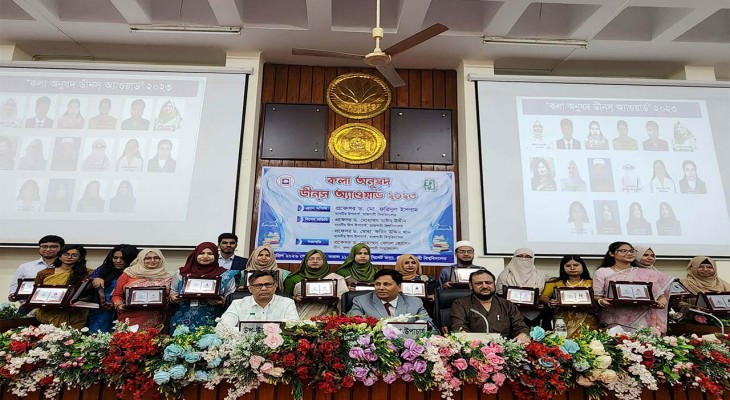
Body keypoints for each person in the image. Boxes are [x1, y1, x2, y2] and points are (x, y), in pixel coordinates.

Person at [592, 242, 671, 334]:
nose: (629, 253)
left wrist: (661, 302)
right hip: (613, 317)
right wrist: (601, 301)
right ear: (612, 253)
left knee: (641, 342)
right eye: (623, 251)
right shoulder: (602, 272)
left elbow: (660, 296)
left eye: (632, 251)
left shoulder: (645, 272)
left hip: (640, 318)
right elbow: (597, 296)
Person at [169, 242, 238, 332]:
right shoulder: (181, 273)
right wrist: (173, 298)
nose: (205, 256)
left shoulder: (226, 274)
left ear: (216, 255)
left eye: (210, 253)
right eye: (201, 253)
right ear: (195, 255)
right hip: (182, 321)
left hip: (213, 320)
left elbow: (231, 296)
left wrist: (223, 301)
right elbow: (173, 291)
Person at [450, 269, 530, 340]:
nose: (485, 286)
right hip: (474, 347)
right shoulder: (460, 304)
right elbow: (459, 327)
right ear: (471, 286)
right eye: (479, 283)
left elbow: (521, 326)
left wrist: (522, 335)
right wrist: (464, 336)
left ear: (494, 284)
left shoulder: (507, 305)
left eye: (488, 283)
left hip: (505, 347)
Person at [111, 248, 173, 332]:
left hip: (157, 319)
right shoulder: (128, 274)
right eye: (148, 258)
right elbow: (117, 295)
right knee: (129, 340)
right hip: (131, 317)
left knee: (153, 340)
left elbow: (170, 296)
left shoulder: (167, 277)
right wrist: (119, 304)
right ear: (140, 259)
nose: (152, 260)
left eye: (156, 258)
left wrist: (170, 299)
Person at [33, 244, 93, 329]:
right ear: (60, 257)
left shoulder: (88, 273)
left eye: (74, 255)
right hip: (49, 312)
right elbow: (36, 292)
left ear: (80, 258)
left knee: (74, 337)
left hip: (75, 314)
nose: (69, 257)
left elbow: (90, 293)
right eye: (66, 254)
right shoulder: (44, 273)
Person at [539, 256, 598, 338]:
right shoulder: (555, 282)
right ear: (563, 267)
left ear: (583, 266)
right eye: (568, 266)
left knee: (587, 341)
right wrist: (549, 302)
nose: (572, 268)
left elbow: (598, 297)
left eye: (576, 265)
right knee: (562, 341)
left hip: (587, 317)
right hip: (562, 318)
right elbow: (543, 297)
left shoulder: (592, 282)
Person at [218, 271, 299, 328]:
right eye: (258, 285)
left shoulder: (287, 303)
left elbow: (294, 327)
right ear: (250, 289)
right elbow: (222, 328)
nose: (264, 288)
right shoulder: (238, 304)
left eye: (268, 284)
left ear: (275, 286)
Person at [86, 244, 139, 333]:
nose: (118, 261)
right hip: (101, 311)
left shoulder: (137, 272)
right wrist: (95, 279)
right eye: (115, 258)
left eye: (122, 258)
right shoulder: (104, 268)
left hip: (125, 310)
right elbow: (88, 281)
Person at [284, 249, 348, 320]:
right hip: (301, 316)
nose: (315, 261)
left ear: (324, 261)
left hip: (328, 317)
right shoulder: (293, 278)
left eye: (319, 259)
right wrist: (295, 298)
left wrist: (335, 299)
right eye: (311, 259)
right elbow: (284, 298)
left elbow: (344, 298)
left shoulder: (335, 278)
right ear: (305, 261)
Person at [348, 269, 430, 322]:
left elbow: (429, 327)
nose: (381, 288)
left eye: (386, 284)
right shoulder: (361, 302)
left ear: (399, 287)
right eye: (377, 284)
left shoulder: (415, 303)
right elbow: (354, 325)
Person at [496, 248, 549, 327]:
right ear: (514, 257)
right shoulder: (504, 276)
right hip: (508, 315)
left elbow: (545, 296)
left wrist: (541, 304)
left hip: (533, 316)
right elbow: (499, 296)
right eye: (520, 256)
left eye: (528, 257)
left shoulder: (541, 276)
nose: (524, 259)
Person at [8, 235, 64, 303]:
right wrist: (13, 296)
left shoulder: (67, 267)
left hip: (58, 306)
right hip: (28, 306)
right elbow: (14, 287)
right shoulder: (26, 266)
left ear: (62, 248)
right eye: (44, 246)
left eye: (53, 247)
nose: (48, 249)